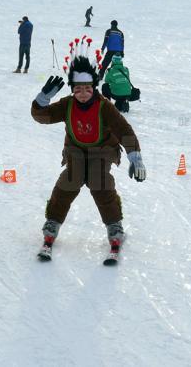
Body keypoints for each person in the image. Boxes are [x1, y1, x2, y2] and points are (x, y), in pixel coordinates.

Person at [30, 53, 145, 263]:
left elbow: (123, 129)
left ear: (94, 87)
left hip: (102, 150)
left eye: (87, 88)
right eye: (78, 89)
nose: (83, 93)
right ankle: (52, 223)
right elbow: (42, 116)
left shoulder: (103, 106)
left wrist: (134, 156)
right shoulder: (68, 105)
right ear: (73, 89)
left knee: (98, 180)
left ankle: (114, 226)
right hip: (76, 150)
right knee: (69, 181)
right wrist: (43, 98)